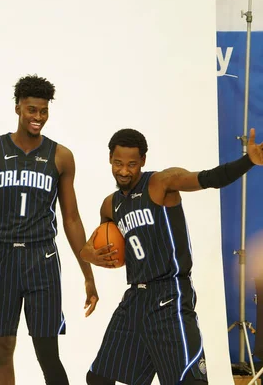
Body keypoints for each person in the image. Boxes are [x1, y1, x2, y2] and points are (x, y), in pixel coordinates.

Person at [81, 128, 263, 385]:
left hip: (170, 295)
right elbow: (92, 246)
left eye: (132, 164)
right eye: (118, 163)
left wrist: (248, 161)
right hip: (135, 298)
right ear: (110, 158)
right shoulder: (110, 205)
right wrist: (88, 254)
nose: (124, 170)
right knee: (98, 378)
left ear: (143, 161)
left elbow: (210, 178)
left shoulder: (161, 183)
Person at [0, 74, 99, 385]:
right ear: (17, 108)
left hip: (42, 258)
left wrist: (88, 275)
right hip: (0, 258)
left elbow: (72, 219)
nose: (37, 117)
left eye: (43, 111)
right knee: (1, 349)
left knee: (47, 350)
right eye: (31, 110)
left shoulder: (61, 156)